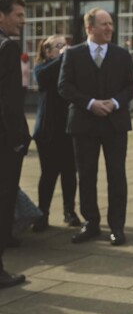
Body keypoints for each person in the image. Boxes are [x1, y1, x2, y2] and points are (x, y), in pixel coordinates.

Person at [59, 8, 133, 246]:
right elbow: (64, 86)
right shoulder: (73, 54)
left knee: (117, 176)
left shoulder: (122, 55)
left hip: (115, 124)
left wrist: (114, 103)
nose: (109, 28)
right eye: (104, 24)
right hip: (84, 124)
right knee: (86, 176)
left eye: (111, 24)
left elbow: (131, 86)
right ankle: (91, 223)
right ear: (89, 28)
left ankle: (117, 227)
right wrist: (91, 103)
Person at [32, 35, 80, 232]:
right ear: (47, 51)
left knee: (69, 172)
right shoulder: (41, 67)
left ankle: (70, 211)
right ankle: (43, 213)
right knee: (49, 173)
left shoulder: (69, 68)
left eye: (65, 45)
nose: (63, 48)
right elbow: (44, 78)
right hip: (47, 130)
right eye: (58, 46)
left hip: (68, 129)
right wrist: (63, 56)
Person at [0, 0, 30, 288]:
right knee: (3, 201)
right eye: (18, 15)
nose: (23, 21)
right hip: (4, 142)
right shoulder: (7, 47)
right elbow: (9, 102)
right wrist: (20, 139)